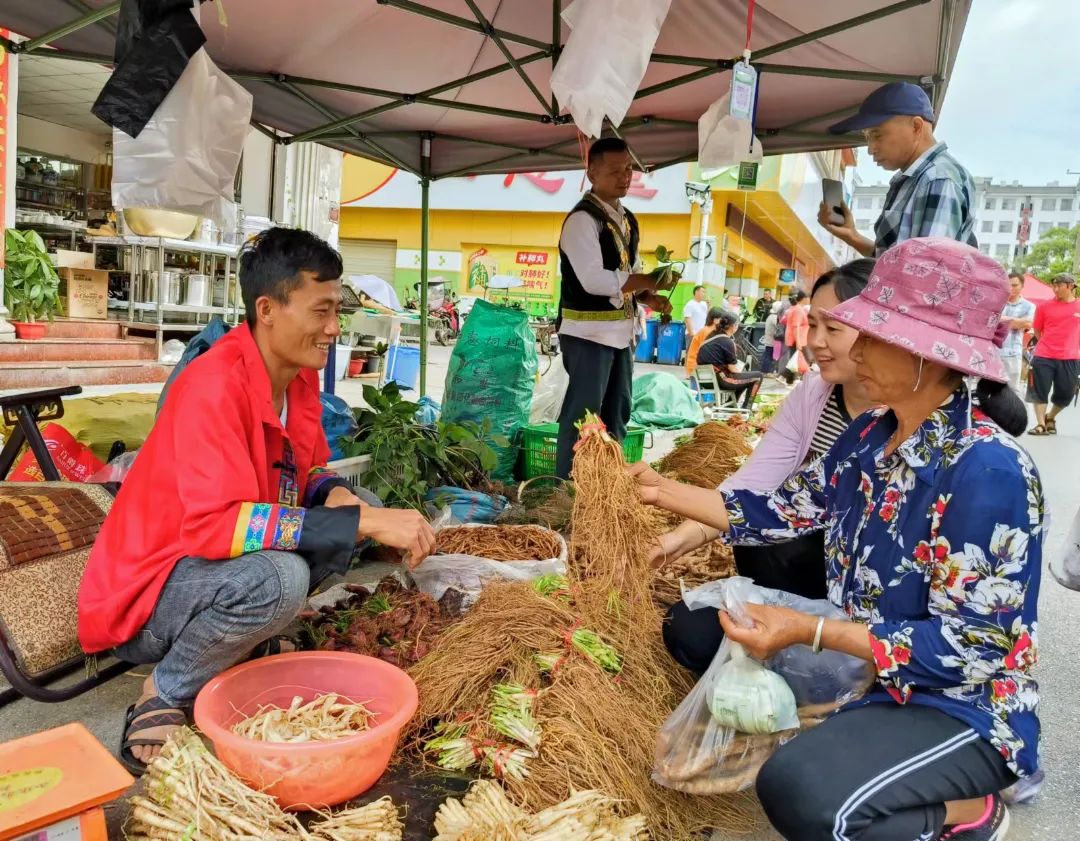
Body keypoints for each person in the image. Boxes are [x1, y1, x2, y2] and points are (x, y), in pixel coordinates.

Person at [632, 238, 1038, 841]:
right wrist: (658, 489)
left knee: (805, 793)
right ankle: (854, 742)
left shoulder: (988, 470)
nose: (855, 347)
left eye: (873, 334)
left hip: (960, 704)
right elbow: (773, 511)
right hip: (871, 675)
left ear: (930, 356)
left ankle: (971, 812)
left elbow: (971, 647)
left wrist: (808, 631)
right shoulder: (872, 435)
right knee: (700, 629)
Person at [78, 228, 437, 775]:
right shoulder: (212, 387)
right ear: (267, 309)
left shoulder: (296, 380)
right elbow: (215, 528)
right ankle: (165, 687)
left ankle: (241, 639)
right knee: (281, 578)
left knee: (352, 503)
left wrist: (340, 498)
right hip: (150, 596)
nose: (334, 329)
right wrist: (359, 521)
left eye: (337, 311)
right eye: (321, 312)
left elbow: (307, 471)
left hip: (213, 564)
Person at [658, 259, 878, 666]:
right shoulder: (815, 395)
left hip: (870, 618)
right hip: (796, 596)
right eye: (813, 325)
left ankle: (815, 661)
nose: (816, 342)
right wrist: (668, 541)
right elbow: (751, 494)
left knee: (787, 543)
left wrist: (816, 631)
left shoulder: (917, 429)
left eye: (834, 328)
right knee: (689, 627)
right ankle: (789, 650)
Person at [555, 137, 674, 479]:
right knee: (584, 417)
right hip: (588, 334)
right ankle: (568, 487)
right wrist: (648, 279)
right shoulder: (581, 220)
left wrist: (649, 296)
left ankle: (608, 485)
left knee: (618, 411)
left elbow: (629, 274)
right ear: (591, 172)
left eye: (628, 170)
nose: (624, 177)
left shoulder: (627, 219)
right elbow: (594, 280)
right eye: (614, 171)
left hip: (621, 333)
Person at [818, 82, 977, 256]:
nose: (871, 149)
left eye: (877, 135)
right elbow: (896, 264)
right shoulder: (916, 179)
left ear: (916, 127)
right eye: (867, 138)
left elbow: (927, 274)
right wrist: (853, 236)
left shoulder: (938, 179)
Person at [1028, 272, 1080, 435]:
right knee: (1039, 391)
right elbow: (1037, 329)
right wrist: (1046, 344)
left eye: (1059, 286)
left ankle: (1051, 417)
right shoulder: (1044, 306)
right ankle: (1041, 424)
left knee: (1066, 393)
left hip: (1070, 357)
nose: (1055, 289)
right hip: (1044, 355)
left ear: (1070, 286)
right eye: (1054, 286)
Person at [696, 311, 763, 409]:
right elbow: (732, 369)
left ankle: (731, 406)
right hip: (721, 380)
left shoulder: (710, 337)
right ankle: (747, 409)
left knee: (743, 378)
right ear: (733, 326)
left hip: (705, 381)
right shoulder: (727, 341)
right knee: (758, 376)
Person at [1000, 271, 1036, 393]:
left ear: (1022, 286)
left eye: (1015, 285)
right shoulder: (998, 302)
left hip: (1013, 352)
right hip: (993, 351)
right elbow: (990, 322)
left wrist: (1001, 320)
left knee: (1012, 390)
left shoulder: (1029, 306)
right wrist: (1017, 322)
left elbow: (1027, 324)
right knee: (988, 388)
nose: (1011, 288)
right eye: (1008, 285)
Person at [684, 305, 726, 379]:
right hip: (697, 368)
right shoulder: (708, 332)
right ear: (715, 320)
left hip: (697, 366)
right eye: (722, 319)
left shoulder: (708, 330)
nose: (724, 322)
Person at [782, 289, 810, 375]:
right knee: (798, 359)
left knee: (795, 359)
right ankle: (785, 376)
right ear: (804, 298)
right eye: (808, 297)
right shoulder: (798, 309)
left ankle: (786, 377)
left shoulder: (795, 308)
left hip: (797, 338)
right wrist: (798, 342)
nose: (809, 299)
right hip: (797, 339)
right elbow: (795, 326)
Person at [681, 285, 709, 354]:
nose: (704, 294)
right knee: (690, 353)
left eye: (704, 292)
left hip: (701, 334)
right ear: (696, 292)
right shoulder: (690, 304)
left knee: (699, 354)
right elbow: (687, 319)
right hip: (692, 334)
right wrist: (691, 333)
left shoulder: (704, 304)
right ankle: (687, 364)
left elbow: (705, 317)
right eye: (702, 292)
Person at [759, 300, 783, 376]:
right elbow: (779, 326)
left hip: (770, 339)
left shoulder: (771, 316)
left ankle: (765, 371)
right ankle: (767, 372)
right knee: (769, 356)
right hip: (772, 340)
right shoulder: (774, 317)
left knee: (768, 355)